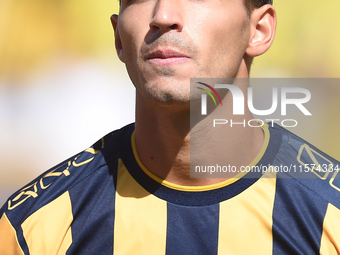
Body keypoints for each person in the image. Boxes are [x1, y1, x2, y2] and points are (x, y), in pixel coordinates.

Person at [1, 0, 340, 254]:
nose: (163, 16)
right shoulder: (29, 231)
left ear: (259, 30)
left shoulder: (331, 218)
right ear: (118, 36)